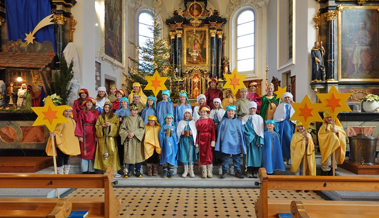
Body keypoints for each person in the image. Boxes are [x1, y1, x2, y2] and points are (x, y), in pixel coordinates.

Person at [46, 106, 80, 174]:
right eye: (66, 111)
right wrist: (54, 134)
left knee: (67, 157)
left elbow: (74, 132)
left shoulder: (73, 121)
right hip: (61, 142)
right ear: (63, 112)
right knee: (60, 157)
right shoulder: (61, 121)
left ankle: (66, 172)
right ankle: (60, 173)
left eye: (69, 111)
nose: (68, 113)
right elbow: (57, 130)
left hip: (69, 142)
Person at [216, 105, 246, 179]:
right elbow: (220, 133)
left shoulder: (238, 121)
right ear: (227, 112)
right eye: (229, 111)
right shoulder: (223, 121)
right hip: (226, 142)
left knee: (236, 158)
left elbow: (241, 133)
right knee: (225, 158)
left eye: (232, 111)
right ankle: (225, 171)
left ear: (235, 112)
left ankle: (237, 171)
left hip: (236, 143)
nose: (231, 112)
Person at [94, 101, 121, 176]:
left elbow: (117, 126)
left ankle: (114, 171)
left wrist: (111, 125)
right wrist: (102, 126)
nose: (106, 109)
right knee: (103, 153)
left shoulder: (114, 116)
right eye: (105, 107)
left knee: (112, 153)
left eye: (108, 107)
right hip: (102, 139)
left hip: (111, 138)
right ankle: (104, 170)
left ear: (110, 108)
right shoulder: (100, 117)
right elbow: (97, 126)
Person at [119, 103, 146, 178]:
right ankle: (129, 170)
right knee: (129, 155)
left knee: (137, 155)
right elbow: (121, 129)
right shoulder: (126, 119)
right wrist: (127, 134)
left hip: (136, 140)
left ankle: (138, 170)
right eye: (133, 110)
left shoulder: (139, 119)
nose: (135, 112)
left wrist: (134, 133)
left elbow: (142, 129)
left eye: (136, 110)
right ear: (130, 110)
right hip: (129, 140)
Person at [75, 97, 100, 174]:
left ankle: (92, 169)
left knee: (93, 151)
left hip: (93, 132)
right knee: (84, 151)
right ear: (85, 104)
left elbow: (98, 124)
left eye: (90, 103)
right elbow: (79, 123)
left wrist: (97, 135)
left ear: (93, 104)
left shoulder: (96, 112)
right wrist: (80, 135)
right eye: (87, 103)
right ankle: (84, 169)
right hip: (84, 132)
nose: (89, 104)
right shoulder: (82, 112)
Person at [242, 102, 264, 178]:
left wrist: (259, 141)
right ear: (248, 109)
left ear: (256, 109)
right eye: (251, 108)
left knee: (256, 156)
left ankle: (256, 171)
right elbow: (243, 129)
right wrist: (248, 136)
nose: (252, 110)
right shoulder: (245, 118)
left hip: (256, 139)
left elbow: (260, 131)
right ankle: (249, 170)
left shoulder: (259, 118)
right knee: (248, 156)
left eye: (254, 108)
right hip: (248, 139)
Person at [273, 92, 295, 164]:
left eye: (288, 97)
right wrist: (277, 127)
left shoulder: (294, 105)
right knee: (284, 140)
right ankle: (285, 157)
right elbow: (277, 116)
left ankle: (292, 157)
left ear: (291, 98)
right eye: (286, 97)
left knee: (291, 140)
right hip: (283, 124)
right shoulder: (280, 106)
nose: (287, 99)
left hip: (291, 124)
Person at [195, 105, 215, 178]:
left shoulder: (210, 120)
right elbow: (197, 132)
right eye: (201, 112)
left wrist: (213, 140)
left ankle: (209, 170)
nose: (203, 113)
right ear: (199, 113)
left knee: (209, 154)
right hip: (201, 138)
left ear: (207, 112)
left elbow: (213, 131)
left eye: (204, 112)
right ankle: (204, 170)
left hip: (209, 138)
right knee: (202, 154)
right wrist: (196, 142)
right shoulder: (198, 121)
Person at [177, 109, 197, 178]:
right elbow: (178, 131)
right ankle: (185, 171)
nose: (187, 115)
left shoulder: (193, 122)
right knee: (184, 154)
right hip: (183, 141)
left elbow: (196, 131)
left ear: (191, 114)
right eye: (186, 113)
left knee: (190, 155)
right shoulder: (181, 122)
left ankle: (191, 171)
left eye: (188, 113)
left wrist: (192, 132)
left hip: (190, 141)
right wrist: (181, 132)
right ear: (184, 114)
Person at [159, 113, 178, 178]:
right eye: (167, 118)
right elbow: (160, 135)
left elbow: (176, 136)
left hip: (172, 144)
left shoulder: (174, 127)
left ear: (172, 119)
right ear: (165, 119)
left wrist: (172, 135)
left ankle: (171, 170)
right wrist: (164, 137)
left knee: (171, 156)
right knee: (165, 156)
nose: (169, 119)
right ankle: (165, 170)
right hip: (165, 144)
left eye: (170, 118)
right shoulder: (163, 127)